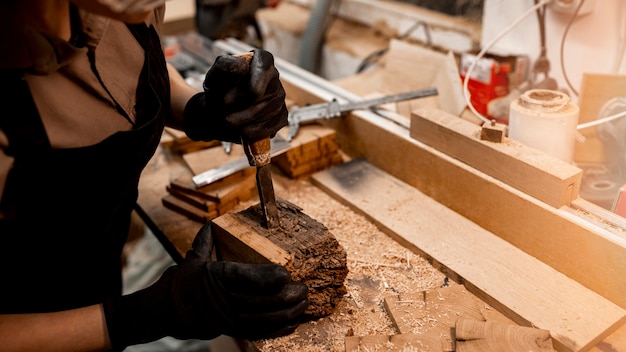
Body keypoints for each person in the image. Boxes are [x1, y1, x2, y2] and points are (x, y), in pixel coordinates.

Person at [0, 1, 309, 351]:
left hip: (100, 278)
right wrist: (143, 316)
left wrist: (198, 108)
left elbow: (137, 68)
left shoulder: (123, 8)